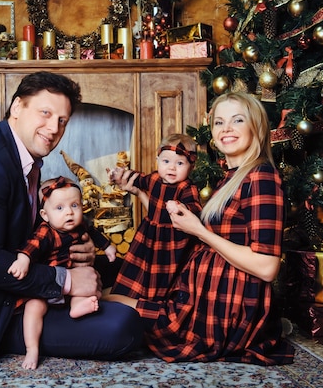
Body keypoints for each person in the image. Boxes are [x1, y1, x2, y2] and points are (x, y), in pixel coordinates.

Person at [0, 71, 142, 366]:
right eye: (45, 113)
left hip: (17, 280)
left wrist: (80, 245)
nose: (54, 128)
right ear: (18, 107)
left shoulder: (19, 155)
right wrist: (69, 281)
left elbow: (24, 229)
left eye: (62, 120)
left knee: (123, 267)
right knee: (123, 326)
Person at [104, 92, 294, 365]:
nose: (226, 128)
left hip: (224, 305)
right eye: (219, 122)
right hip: (200, 292)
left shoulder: (261, 177)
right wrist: (140, 193)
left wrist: (201, 231)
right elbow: (166, 219)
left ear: (257, 127)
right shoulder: (232, 177)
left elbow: (267, 267)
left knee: (114, 306)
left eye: (237, 120)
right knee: (114, 298)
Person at [8, 176, 117, 369]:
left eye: (74, 205)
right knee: (34, 308)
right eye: (60, 208)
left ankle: (78, 307)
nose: (69, 213)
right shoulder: (46, 231)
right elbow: (33, 246)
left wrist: (107, 247)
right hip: (48, 286)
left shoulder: (81, 225)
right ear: (45, 214)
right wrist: (23, 259)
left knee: (88, 282)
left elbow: (94, 233)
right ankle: (32, 348)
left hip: (74, 282)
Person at [107, 133, 201, 300]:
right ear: (157, 159)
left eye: (180, 163)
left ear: (191, 167)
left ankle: (154, 300)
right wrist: (119, 174)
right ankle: (127, 295)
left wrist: (181, 206)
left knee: (163, 272)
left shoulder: (186, 187)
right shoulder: (154, 179)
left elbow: (195, 207)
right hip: (148, 233)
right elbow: (137, 179)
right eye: (166, 162)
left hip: (171, 239)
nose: (172, 168)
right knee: (138, 266)